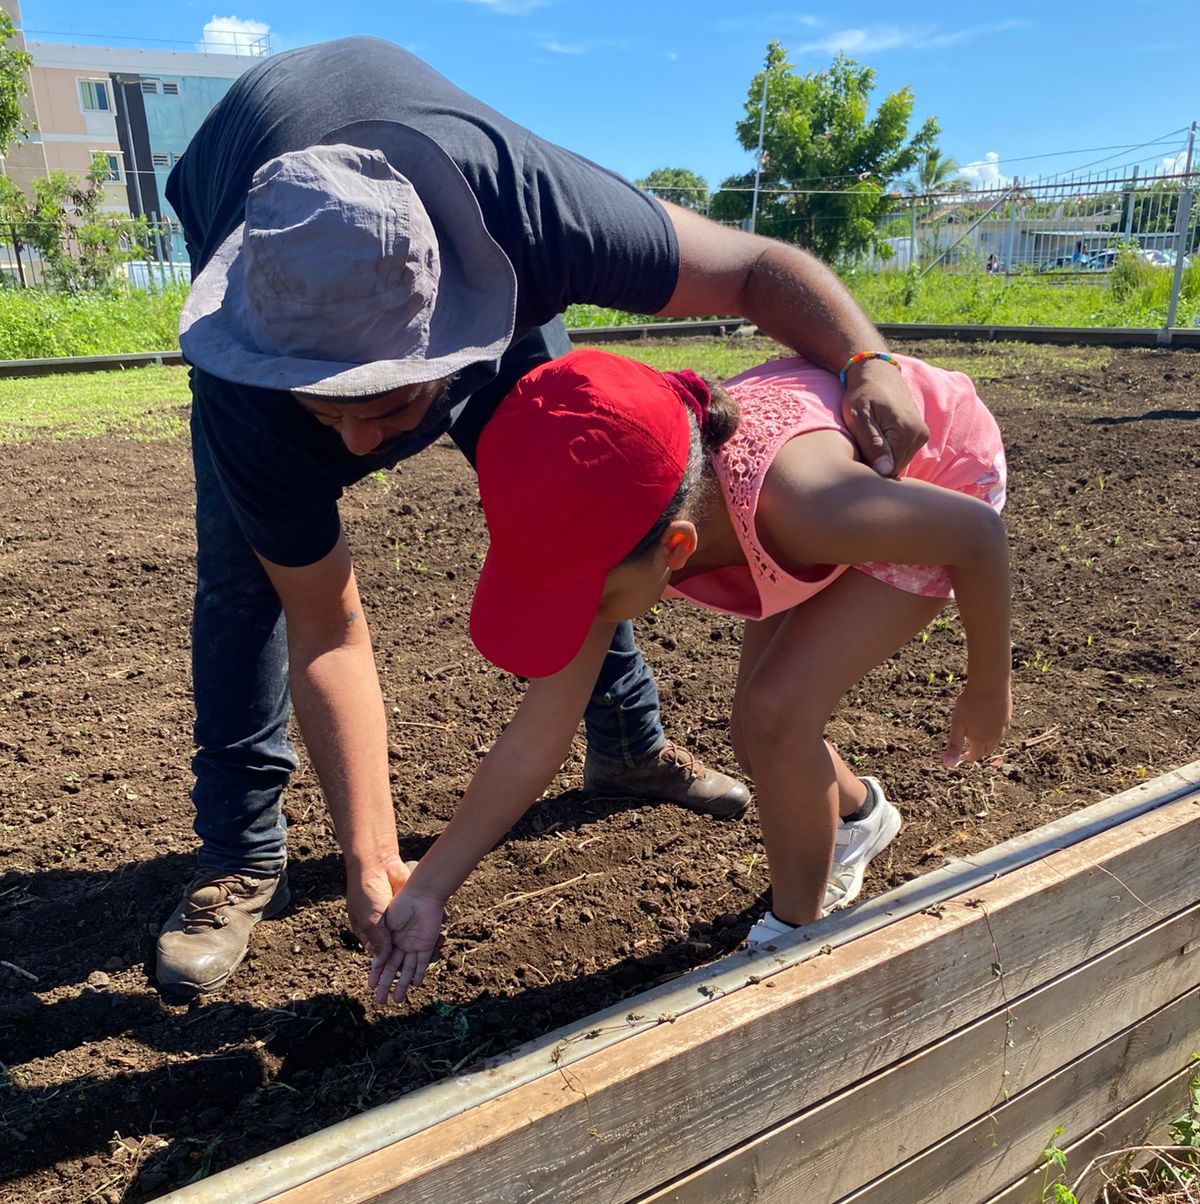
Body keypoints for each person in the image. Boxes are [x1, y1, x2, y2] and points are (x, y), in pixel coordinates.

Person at [157, 35, 932, 999]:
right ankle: (240, 851)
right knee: (245, 579)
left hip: (464, 238)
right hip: (249, 191)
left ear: (458, 330)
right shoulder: (255, 377)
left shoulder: (531, 212)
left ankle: (628, 746)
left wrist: (868, 360)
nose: (363, 449)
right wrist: (373, 856)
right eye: (331, 415)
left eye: (391, 410)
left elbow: (755, 267)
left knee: (580, 502)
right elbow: (329, 623)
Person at [368, 347, 1011, 1006]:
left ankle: (794, 934)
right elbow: (536, 738)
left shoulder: (809, 510)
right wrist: (428, 888)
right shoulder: (609, 521)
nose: (578, 615)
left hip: (937, 481)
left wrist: (988, 686)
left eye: (588, 598)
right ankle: (861, 817)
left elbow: (977, 535)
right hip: (808, 497)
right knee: (756, 730)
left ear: (676, 548)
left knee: (776, 716)